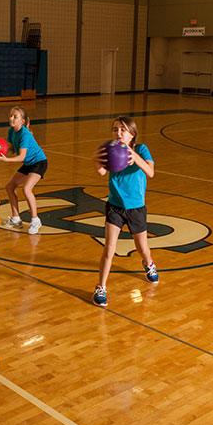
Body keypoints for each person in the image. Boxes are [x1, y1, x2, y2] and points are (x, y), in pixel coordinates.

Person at [92, 116, 158, 308]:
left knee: (142, 248)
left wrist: (133, 155)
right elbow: (102, 172)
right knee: (109, 249)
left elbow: (150, 172)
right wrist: (96, 158)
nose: (118, 133)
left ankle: (148, 264)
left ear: (132, 134)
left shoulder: (141, 149)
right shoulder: (109, 150)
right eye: (115, 129)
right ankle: (101, 287)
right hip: (115, 207)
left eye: (122, 130)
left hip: (136, 208)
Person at [0, 105, 47, 235]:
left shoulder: (25, 134)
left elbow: (21, 156)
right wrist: (1, 151)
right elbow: (13, 149)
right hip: (29, 163)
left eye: (15, 116)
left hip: (39, 163)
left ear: (22, 121)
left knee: (26, 189)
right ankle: (16, 218)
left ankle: (35, 220)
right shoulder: (11, 131)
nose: (11, 118)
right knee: (9, 186)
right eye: (11, 115)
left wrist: (6, 160)